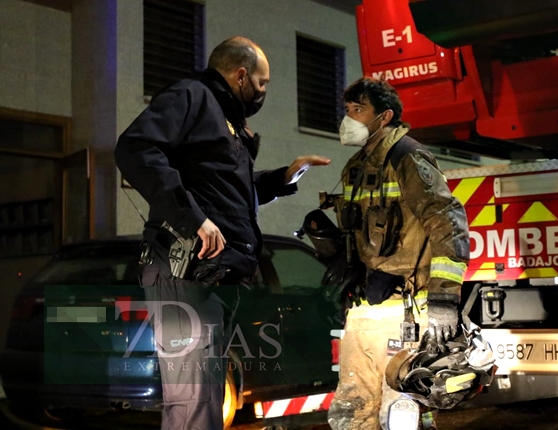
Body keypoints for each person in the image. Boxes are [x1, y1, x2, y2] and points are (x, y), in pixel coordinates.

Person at [114, 36, 330, 430]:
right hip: (184, 270)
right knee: (194, 403)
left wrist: (283, 177)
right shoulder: (192, 96)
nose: (263, 92)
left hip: (214, 274)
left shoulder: (227, 121)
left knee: (204, 402)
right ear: (241, 75)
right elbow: (135, 148)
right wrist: (192, 218)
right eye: (262, 83)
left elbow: (227, 192)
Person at [326, 77, 470, 429]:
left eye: (358, 110)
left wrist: (443, 302)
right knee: (351, 411)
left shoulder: (408, 157)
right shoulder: (355, 169)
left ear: (384, 116)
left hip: (407, 311)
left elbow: (448, 225)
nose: (349, 119)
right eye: (348, 110)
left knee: (401, 414)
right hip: (363, 312)